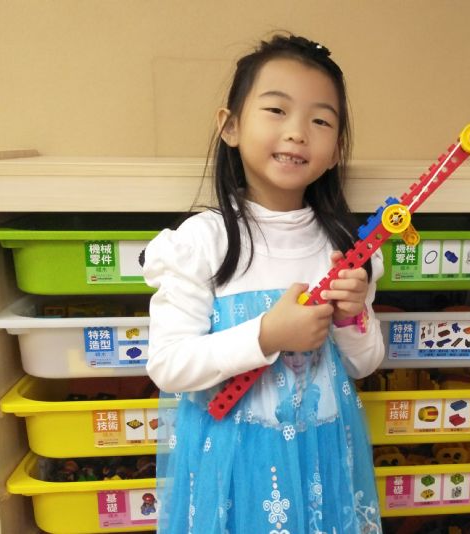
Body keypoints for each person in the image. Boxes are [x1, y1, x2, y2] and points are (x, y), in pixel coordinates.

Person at [142, 33, 384, 534]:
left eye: (320, 121)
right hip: (232, 470)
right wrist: (267, 334)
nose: (297, 133)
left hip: (323, 461)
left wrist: (350, 317)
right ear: (230, 126)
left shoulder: (345, 248)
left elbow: (363, 364)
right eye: (276, 110)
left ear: (336, 150)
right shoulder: (201, 242)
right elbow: (168, 365)